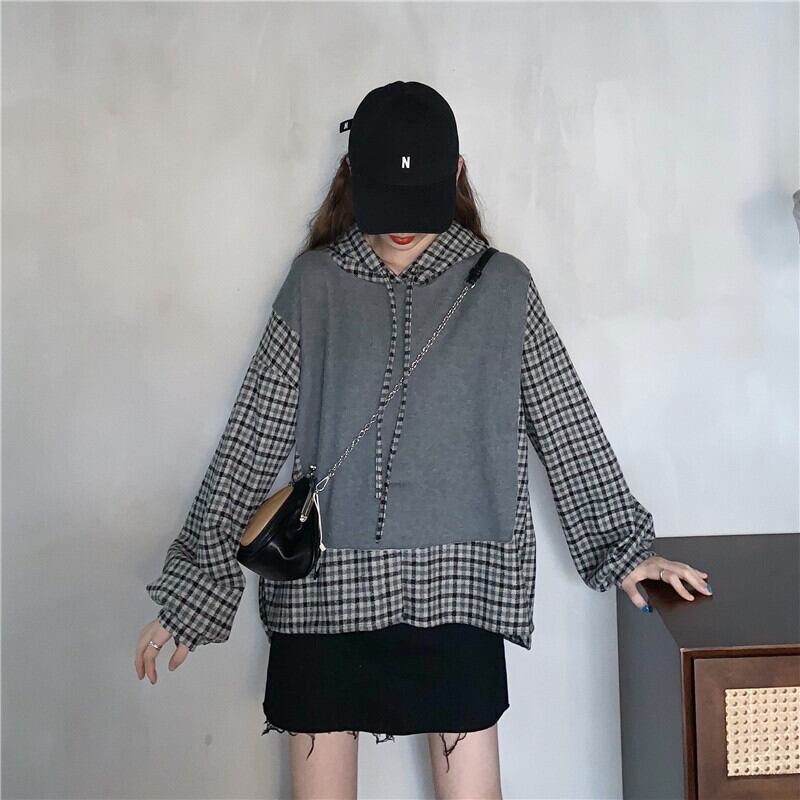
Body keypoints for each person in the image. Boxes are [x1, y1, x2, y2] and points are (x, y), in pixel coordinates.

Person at [135, 80, 711, 800]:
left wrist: (624, 548)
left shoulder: (504, 289)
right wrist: (198, 589)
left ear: (457, 174)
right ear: (352, 176)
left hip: (459, 594)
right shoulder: (314, 286)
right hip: (325, 596)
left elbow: (564, 420)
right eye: (387, 201)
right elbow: (253, 436)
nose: (402, 228)